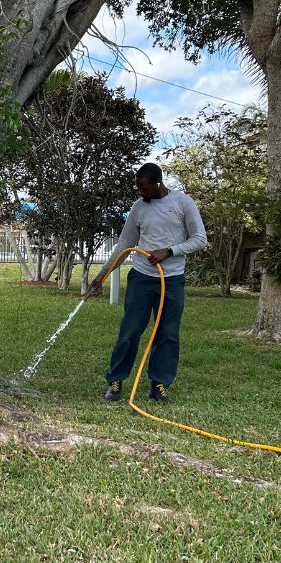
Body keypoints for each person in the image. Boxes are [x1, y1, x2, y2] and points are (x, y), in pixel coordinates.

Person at [89, 162, 206, 404]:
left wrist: (170, 251)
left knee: (167, 334)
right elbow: (123, 245)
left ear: (158, 184)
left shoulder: (183, 203)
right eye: (138, 189)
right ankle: (115, 380)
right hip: (141, 278)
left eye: (144, 189)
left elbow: (199, 239)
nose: (141, 194)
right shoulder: (138, 208)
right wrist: (102, 276)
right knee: (129, 332)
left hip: (172, 281)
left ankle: (159, 385)